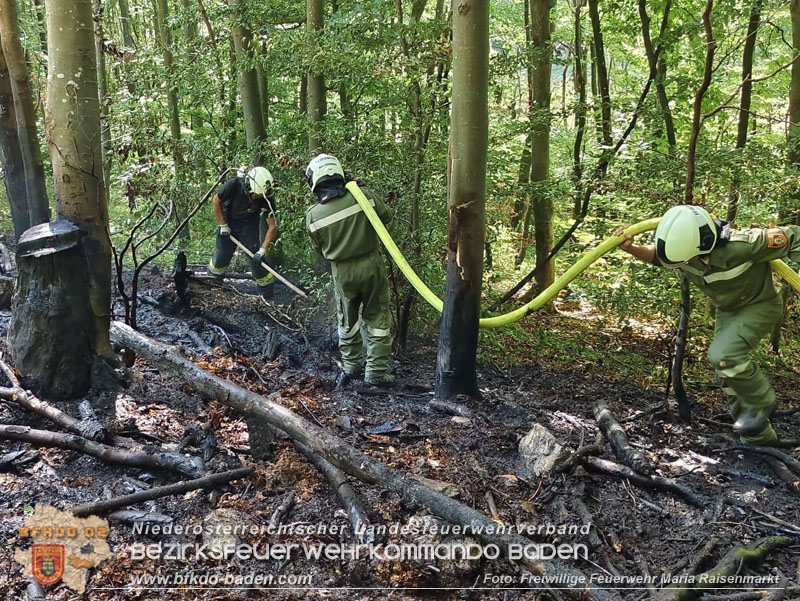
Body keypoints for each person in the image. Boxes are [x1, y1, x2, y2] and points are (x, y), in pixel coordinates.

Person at [617, 205, 800, 444]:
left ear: (703, 245)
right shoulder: (681, 251)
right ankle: (758, 438)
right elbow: (657, 257)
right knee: (726, 371)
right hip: (728, 311)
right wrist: (631, 248)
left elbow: (794, 236)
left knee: (724, 355)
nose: (685, 264)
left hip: (759, 305)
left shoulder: (743, 244)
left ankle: (761, 404)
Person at [304, 154, 395, 387]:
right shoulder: (363, 196)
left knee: (347, 318)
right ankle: (375, 372)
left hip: (342, 270)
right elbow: (387, 216)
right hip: (371, 264)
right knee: (377, 316)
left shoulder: (313, 215)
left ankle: (352, 366)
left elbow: (319, 248)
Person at [208, 166, 278, 298]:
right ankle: (211, 287)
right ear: (248, 187)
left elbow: (272, 225)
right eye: (255, 195)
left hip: (249, 227)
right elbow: (216, 201)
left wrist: (262, 250)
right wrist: (223, 225)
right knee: (221, 256)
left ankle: (267, 295)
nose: (256, 198)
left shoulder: (266, 196)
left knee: (257, 262)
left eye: (259, 196)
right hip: (228, 223)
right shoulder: (233, 185)